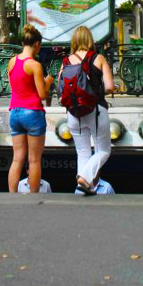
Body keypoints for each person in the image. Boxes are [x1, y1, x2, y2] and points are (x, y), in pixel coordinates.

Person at [59, 25, 115, 196]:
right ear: (90, 40)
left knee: (82, 152)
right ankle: (84, 178)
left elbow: (61, 87)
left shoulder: (66, 61)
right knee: (103, 150)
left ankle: (82, 189)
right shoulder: (98, 59)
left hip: (73, 111)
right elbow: (110, 87)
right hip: (95, 110)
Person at [7, 24, 54, 193]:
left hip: (15, 112)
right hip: (32, 112)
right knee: (34, 160)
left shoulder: (12, 62)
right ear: (36, 45)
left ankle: (12, 195)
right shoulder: (34, 65)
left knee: (17, 159)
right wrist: (48, 81)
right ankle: (33, 197)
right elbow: (42, 94)